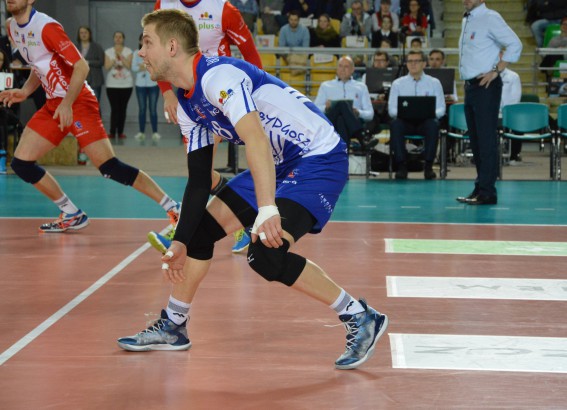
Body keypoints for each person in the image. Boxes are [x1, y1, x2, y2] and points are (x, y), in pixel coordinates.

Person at [117, 9, 388, 371]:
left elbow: (255, 139)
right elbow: (199, 180)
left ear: (171, 46)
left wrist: (267, 209)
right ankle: (174, 325)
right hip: (279, 161)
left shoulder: (218, 77)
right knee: (197, 234)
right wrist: (180, 241)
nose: (140, 52)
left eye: (146, 42)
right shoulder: (186, 103)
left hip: (318, 156)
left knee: (265, 255)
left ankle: (359, 315)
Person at [0, 0, 180, 233]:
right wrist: (25, 91)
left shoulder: (46, 27)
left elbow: (82, 66)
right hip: (54, 104)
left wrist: (67, 104)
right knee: (21, 164)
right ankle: (71, 213)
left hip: (78, 101)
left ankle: (173, 206)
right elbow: (38, 64)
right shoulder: (12, 27)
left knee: (109, 167)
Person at [148, 0, 264, 255]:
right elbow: (155, 50)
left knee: (199, 174)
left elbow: (251, 54)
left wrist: (249, 100)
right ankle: (246, 221)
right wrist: (167, 92)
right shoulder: (163, 4)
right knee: (203, 174)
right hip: (189, 96)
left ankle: (183, 233)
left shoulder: (224, 9)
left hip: (218, 95)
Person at [456, 0, 522, 205]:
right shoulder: (467, 19)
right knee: (476, 140)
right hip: (471, 86)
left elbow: (515, 44)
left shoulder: (490, 17)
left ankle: (488, 191)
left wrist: (496, 70)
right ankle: (481, 186)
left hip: (486, 86)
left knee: (485, 140)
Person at [388, 50, 445, 180]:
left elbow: (441, 108)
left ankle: (428, 166)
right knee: (395, 124)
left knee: (433, 124)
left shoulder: (434, 83)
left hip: (426, 121)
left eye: (416, 61)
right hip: (405, 122)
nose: (413, 64)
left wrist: (429, 114)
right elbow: (391, 110)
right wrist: (404, 113)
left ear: (424, 63)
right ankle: (401, 166)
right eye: (410, 61)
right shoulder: (398, 83)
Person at [314, 56, 377, 151]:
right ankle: (362, 137)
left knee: (342, 120)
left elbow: (370, 114)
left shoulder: (361, 87)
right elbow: (315, 110)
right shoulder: (326, 86)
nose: (342, 69)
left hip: (350, 123)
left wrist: (358, 112)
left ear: (352, 69)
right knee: (342, 105)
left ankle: (343, 155)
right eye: (340, 66)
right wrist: (326, 108)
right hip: (331, 123)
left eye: (346, 67)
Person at [104, 31, 133, 140]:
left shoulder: (128, 51)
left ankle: (120, 132)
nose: (118, 38)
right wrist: (114, 58)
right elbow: (107, 66)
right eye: (116, 37)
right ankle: (112, 131)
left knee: (123, 108)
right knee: (114, 108)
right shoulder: (108, 51)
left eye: (120, 37)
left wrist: (120, 56)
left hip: (126, 85)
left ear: (123, 39)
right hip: (112, 85)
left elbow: (128, 66)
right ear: (113, 38)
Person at [132, 33, 161, 143]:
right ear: (140, 41)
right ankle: (141, 132)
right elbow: (133, 68)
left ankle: (155, 132)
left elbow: (158, 67)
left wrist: (143, 66)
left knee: (153, 109)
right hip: (140, 85)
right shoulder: (136, 53)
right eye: (143, 40)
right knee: (142, 109)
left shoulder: (155, 52)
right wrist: (147, 65)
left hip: (153, 84)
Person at [499, 63, 522, 164]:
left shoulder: (513, 76)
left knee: (517, 123)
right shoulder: (486, 74)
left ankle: (513, 155)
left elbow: (515, 98)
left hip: (508, 113)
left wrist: (505, 111)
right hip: (491, 112)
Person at [75, 26, 104, 102]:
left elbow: (101, 62)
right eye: (81, 33)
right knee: (81, 103)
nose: (83, 34)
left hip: (95, 79)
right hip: (80, 80)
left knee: (94, 102)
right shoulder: (75, 47)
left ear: (89, 34)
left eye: (85, 32)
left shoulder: (97, 47)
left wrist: (88, 62)